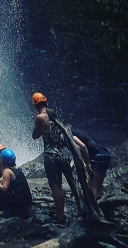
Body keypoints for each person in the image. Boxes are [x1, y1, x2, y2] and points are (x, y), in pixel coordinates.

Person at [32, 92, 79, 223]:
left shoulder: (39, 118)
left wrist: (39, 129)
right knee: (61, 184)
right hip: (61, 153)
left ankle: (60, 215)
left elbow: (34, 136)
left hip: (50, 155)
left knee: (55, 186)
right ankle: (62, 211)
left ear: (35, 105)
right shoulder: (53, 114)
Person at [0, 148, 34, 218]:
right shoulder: (16, 169)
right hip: (26, 203)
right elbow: (3, 179)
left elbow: (4, 188)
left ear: (3, 160)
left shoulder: (6, 171)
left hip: (19, 205)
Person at [73, 130, 111, 200]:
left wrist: (87, 165)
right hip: (105, 154)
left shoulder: (71, 135)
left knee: (91, 187)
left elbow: (83, 146)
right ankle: (102, 205)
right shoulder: (75, 132)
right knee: (98, 187)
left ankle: (91, 208)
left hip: (98, 156)